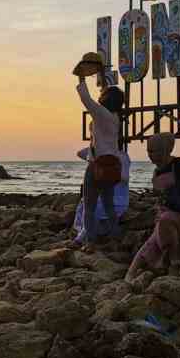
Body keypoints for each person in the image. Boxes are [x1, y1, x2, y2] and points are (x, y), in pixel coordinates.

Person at [126, 133, 180, 282]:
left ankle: (174, 265)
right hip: (165, 215)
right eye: (148, 151)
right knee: (151, 241)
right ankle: (130, 275)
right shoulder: (157, 171)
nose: (150, 155)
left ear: (163, 150)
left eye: (153, 151)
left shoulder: (178, 164)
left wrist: (165, 202)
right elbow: (159, 197)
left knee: (164, 221)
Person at [75, 74, 126, 251]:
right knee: (108, 204)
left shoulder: (102, 114)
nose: (100, 96)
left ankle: (90, 241)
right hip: (112, 166)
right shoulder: (115, 118)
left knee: (89, 205)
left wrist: (80, 79)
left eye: (103, 95)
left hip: (97, 166)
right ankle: (115, 237)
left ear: (106, 100)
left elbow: (86, 99)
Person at [73, 146, 130, 244]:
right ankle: (111, 237)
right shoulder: (123, 156)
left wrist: (95, 148)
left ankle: (83, 238)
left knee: (90, 209)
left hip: (117, 201)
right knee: (94, 209)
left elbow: (80, 153)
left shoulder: (101, 157)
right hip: (119, 201)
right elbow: (125, 178)